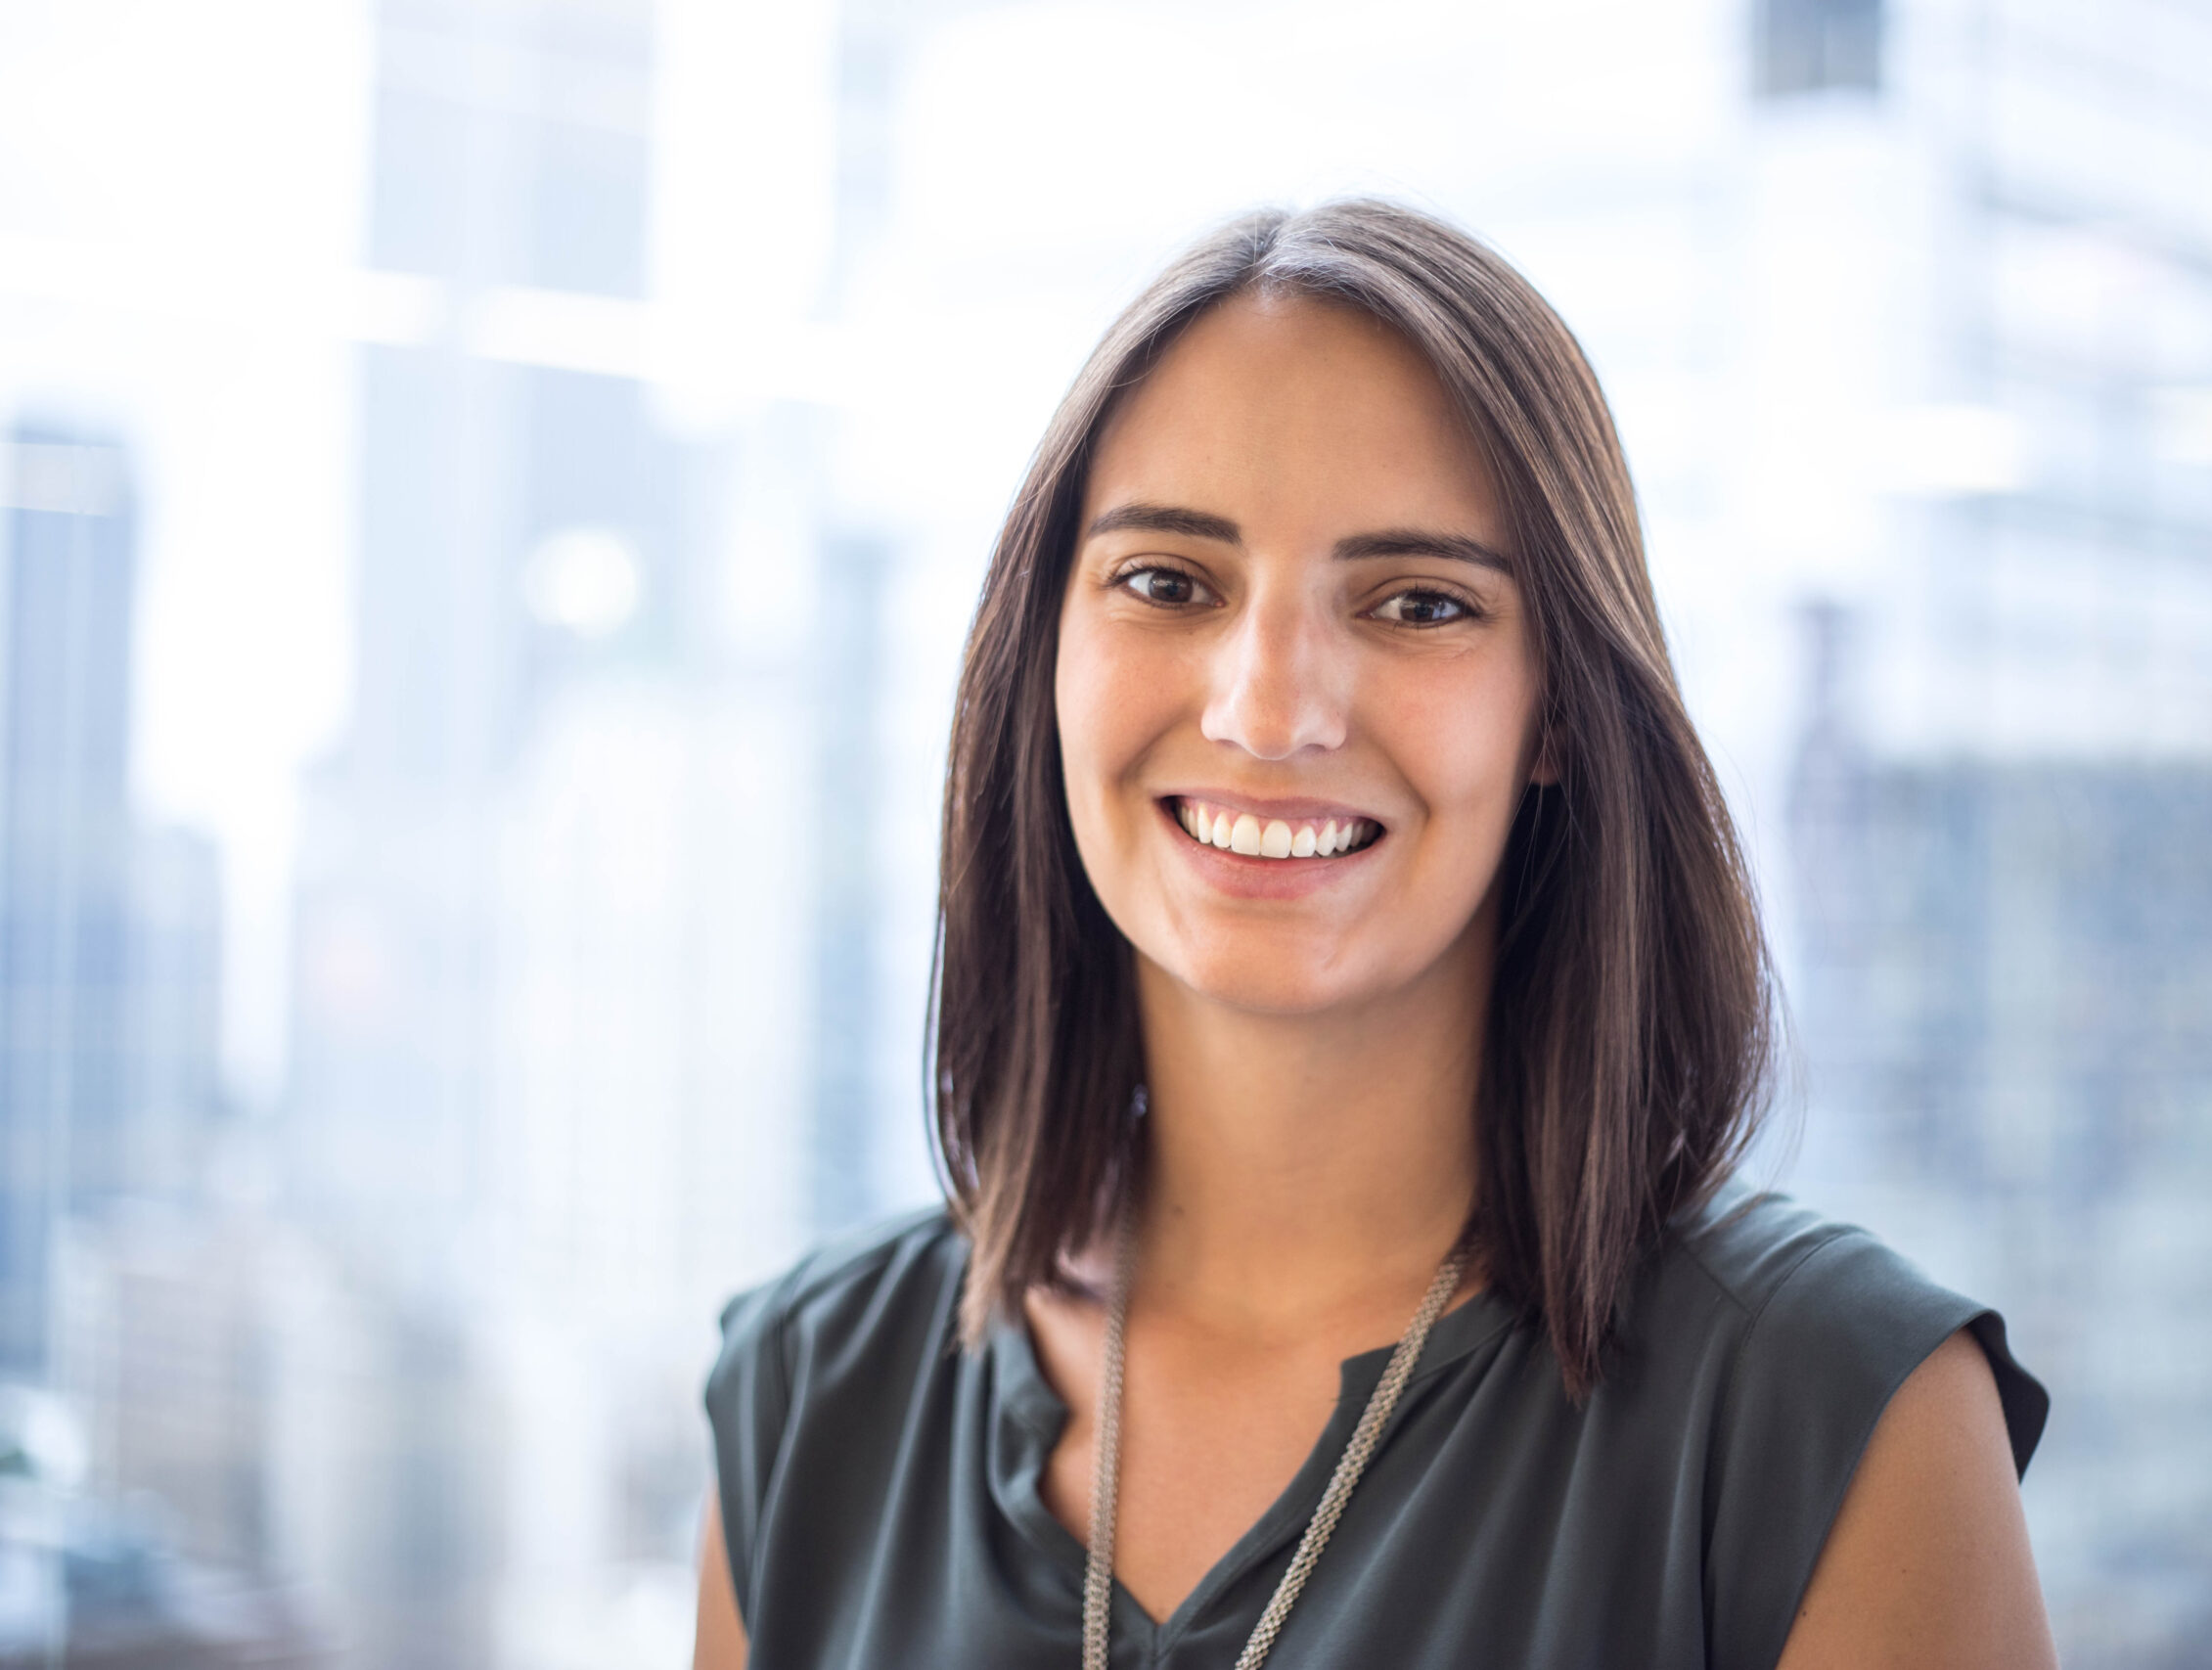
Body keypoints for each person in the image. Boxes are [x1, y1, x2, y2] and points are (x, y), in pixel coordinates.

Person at [692, 200, 2055, 1670]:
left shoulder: (1828, 1413)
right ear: (1047, 659)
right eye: (1168, 582)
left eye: (1418, 603)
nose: (1269, 710)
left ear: (1559, 716)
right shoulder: (811, 1391)